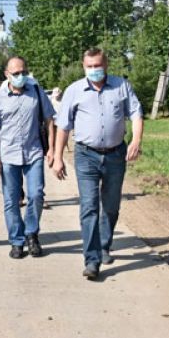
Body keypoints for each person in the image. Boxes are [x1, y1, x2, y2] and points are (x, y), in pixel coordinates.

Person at [52, 47, 143, 280]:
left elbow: (136, 113)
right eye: (89, 66)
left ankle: (104, 245)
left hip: (115, 155)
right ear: (84, 67)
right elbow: (63, 126)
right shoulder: (74, 90)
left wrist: (136, 139)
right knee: (89, 206)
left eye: (97, 66)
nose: (94, 70)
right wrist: (58, 157)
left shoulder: (121, 86)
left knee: (111, 206)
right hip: (86, 155)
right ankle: (91, 260)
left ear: (106, 65)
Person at [0, 56, 55, 259]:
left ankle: (31, 234)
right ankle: (16, 241)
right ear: (7, 74)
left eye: (23, 72)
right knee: (11, 200)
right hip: (8, 155)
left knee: (36, 195)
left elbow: (49, 119)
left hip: (33, 152)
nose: (21, 76)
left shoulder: (35, 91)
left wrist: (51, 148)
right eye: (16, 73)